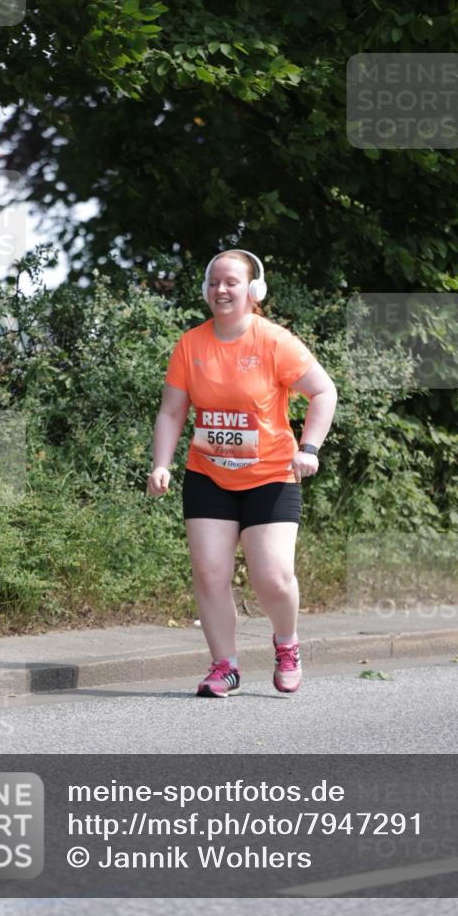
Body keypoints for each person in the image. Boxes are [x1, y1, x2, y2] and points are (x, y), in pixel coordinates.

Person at [147, 250, 338, 697]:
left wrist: (309, 448)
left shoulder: (274, 341)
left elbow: (323, 391)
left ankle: (287, 644)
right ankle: (224, 666)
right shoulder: (190, 345)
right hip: (208, 475)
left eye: (231, 282)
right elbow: (172, 411)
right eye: (214, 282)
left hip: (270, 475)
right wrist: (161, 463)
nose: (221, 290)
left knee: (272, 577)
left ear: (254, 291)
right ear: (205, 290)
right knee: (209, 572)